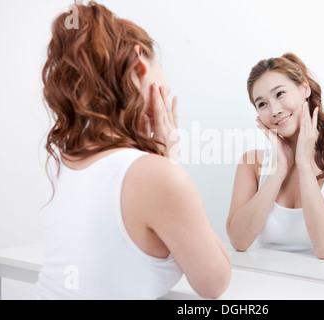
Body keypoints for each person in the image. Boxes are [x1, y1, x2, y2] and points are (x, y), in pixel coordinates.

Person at [35, 2, 230, 300]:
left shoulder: (69, 160)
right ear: (140, 60)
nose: (167, 88)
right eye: (162, 70)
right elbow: (214, 283)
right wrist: (171, 161)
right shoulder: (158, 175)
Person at [226, 53, 324, 259]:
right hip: (260, 282)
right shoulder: (252, 163)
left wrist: (303, 165)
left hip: (320, 286)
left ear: (304, 89)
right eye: (262, 104)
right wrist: (279, 171)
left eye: (280, 94)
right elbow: (239, 241)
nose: (274, 110)